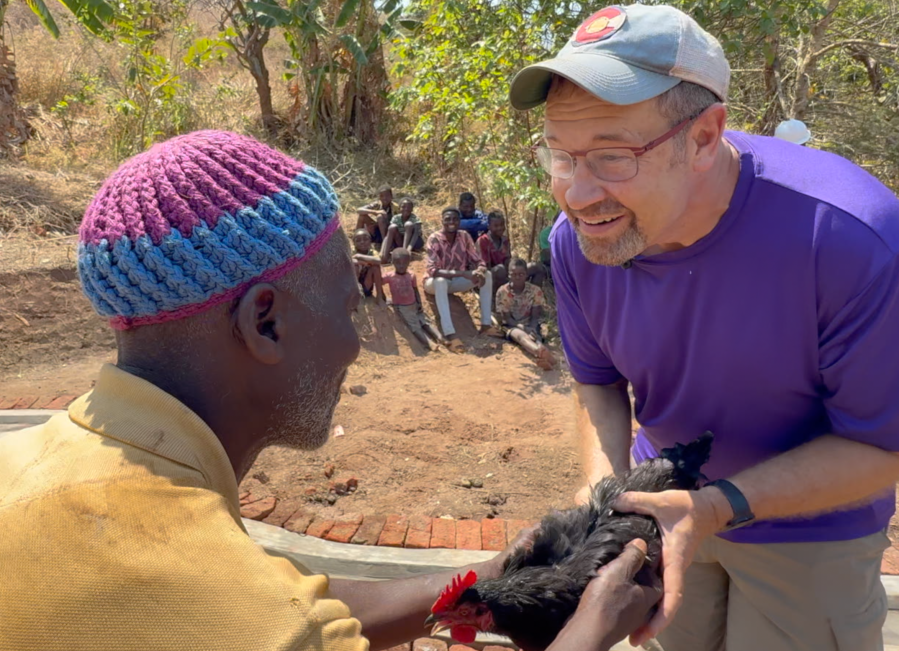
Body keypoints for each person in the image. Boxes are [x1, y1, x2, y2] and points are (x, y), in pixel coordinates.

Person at [0, 130, 660, 651]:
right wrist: (591, 626)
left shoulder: (33, 464)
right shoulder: (258, 620)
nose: (354, 345)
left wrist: (491, 574)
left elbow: (287, 596)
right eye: (347, 308)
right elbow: (275, 616)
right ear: (265, 322)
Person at [509, 4, 899, 651]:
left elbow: (881, 447)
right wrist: (603, 491)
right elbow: (597, 381)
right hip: (662, 503)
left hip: (808, 533)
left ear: (703, 137)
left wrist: (716, 506)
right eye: (559, 155)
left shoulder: (849, 239)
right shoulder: (580, 240)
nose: (576, 194)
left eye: (612, 156)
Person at [424, 207, 500, 352]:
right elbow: (433, 270)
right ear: (442, 221)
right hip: (434, 284)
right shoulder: (434, 238)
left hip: (456, 281)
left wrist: (480, 270)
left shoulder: (464, 236)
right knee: (440, 281)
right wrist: (462, 273)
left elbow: (477, 260)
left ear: (459, 221)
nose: (451, 222)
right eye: (448, 219)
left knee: (488, 275)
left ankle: (486, 325)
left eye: (455, 219)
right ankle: (450, 334)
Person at [496, 258, 554, 370]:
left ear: (526, 275)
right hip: (512, 325)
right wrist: (523, 328)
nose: (517, 277)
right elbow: (507, 319)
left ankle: (547, 358)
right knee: (521, 336)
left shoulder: (535, 290)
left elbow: (535, 316)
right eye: (514, 274)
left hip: (530, 323)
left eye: (521, 274)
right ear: (509, 275)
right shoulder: (503, 292)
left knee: (536, 337)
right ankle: (539, 352)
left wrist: (531, 328)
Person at [382, 247, 442, 351]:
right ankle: (429, 343)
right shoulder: (389, 276)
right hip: (402, 307)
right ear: (392, 262)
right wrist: (383, 298)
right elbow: (378, 282)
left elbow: (415, 290)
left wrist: (419, 303)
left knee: (425, 322)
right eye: (398, 263)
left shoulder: (411, 275)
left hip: (414, 304)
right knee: (415, 326)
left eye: (404, 263)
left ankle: (441, 338)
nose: (401, 266)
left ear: (408, 262)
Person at [380, 197, 424, 262]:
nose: (406, 209)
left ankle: (404, 253)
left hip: (414, 242)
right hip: (400, 241)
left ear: (412, 209)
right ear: (399, 208)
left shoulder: (415, 219)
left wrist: (408, 249)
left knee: (408, 224)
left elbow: (415, 235)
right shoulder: (396, 218)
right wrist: (382, 252)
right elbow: (388, 235)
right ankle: (385, 256)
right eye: (403, 207)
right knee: (392, 227)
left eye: (409, 207)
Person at [476, 210, 512, 291]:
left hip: (503, 273)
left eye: (502, 225)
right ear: (489, 226)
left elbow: (507, 259)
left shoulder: (505, 240)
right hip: (485, 275)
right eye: (496, 226)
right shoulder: (483, 240)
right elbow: (483, 265)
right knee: (500, 269)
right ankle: (497, 295)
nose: (500, 228)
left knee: (530, 267)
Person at [352, 228, 386, 303]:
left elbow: (378, 261)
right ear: (354, 243)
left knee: (375, 267)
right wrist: (365, 262)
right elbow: (349, 261)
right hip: (353, 286)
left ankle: (379, 297)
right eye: (358, 240)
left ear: (370, 241)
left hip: (367, 285)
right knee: (355, 266)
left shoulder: (372, 252)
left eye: (365, 239)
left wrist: (359, 256)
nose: (362, 242)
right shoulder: (352, 251)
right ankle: (355, 296)